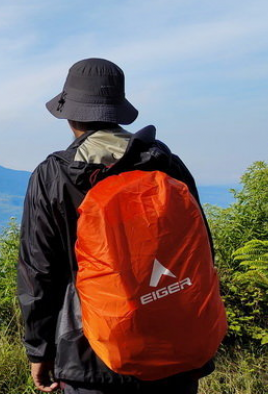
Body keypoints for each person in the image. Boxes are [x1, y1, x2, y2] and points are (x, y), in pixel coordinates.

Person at [17, 58, 214, 394]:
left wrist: (40, 350)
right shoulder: (166, 165)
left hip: (90, 354)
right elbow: (201, 253)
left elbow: (40, 272)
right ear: (118, 111)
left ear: (71, 116)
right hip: (173, 349)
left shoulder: (55, 175)